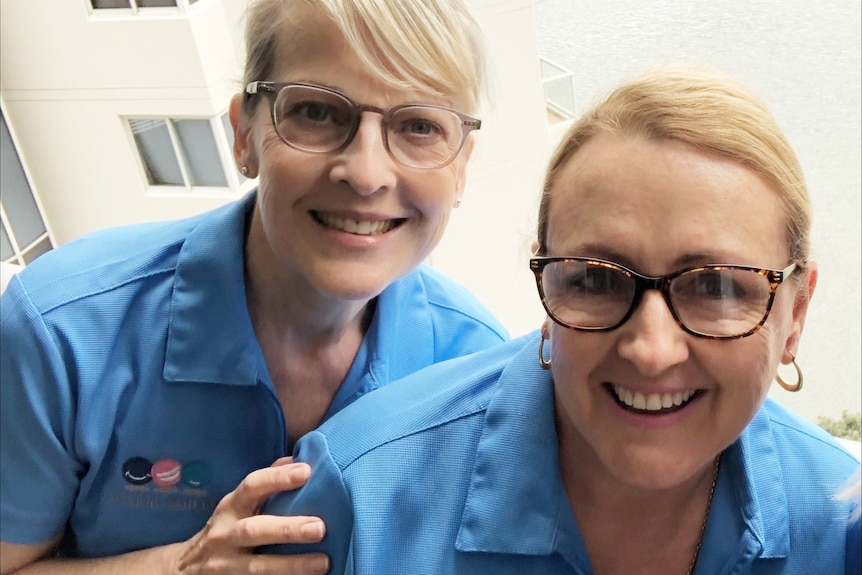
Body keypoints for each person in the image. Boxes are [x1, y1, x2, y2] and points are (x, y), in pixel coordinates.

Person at [261, 64, 862, 573]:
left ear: (797, 313)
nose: (652, 351)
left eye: (716, 288)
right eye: (597, 279)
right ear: (547, 281)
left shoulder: (840, 531)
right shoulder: (353, 500)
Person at [0, 0, 508, 573]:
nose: (366, 174)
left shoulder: (480, 369)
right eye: (317, 112)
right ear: (244, 133)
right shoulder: (61, 332)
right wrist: (181, 567)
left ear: (461, 168)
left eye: (419, 126)